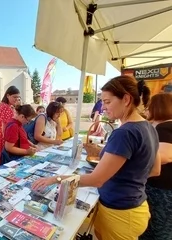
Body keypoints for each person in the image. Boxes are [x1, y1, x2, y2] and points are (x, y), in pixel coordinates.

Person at [32, 75, 161, 240]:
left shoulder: (124, 133)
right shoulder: (148, 127)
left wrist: (55, 179)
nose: (103, 107)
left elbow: (96, 180)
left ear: (126, 99)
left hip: (119, 213)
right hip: (137, 208)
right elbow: (154, 170)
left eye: (107, 102)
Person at [140, 93, 172, 240]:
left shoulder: (164, 129)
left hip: (161, 190)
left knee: (157, 230)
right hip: (163, 188)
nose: (146, 110)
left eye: (149, 107)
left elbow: (164, 157)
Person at [0, 86, 21, 165]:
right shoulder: (6, 107)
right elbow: (4, 126)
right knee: (5, 160)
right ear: (8, 96)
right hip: (3, 137)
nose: (16, 99)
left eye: (18, 97)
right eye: (14, 97)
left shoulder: (4, 105)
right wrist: (7, 140)